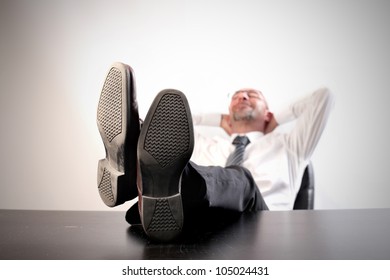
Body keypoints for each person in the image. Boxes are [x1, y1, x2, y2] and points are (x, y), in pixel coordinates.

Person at [96, 62, 334, 242]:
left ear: (268, 112)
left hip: (262, 226)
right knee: (153, 138)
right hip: (206, 223)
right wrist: (220, 120)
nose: (242, 96)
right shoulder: (206, 143)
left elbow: (322, 98)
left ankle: (133, 178)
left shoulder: (291, 146)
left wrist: (275, 121)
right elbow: (165, 126)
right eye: (237, 96)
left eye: (252, 95)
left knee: (243, 180)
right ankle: (133, 177)